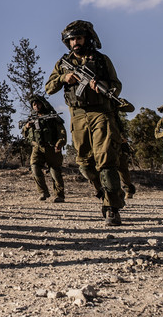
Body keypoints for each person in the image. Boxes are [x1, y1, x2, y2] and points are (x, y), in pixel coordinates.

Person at [46, 20, 125, 226]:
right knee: (84, 164)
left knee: (105, 160)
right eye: (71, 39)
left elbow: (116, 86)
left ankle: (112, 208)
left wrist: (104, 87)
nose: (75, 42)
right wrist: (65, 77)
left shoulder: (101, 60)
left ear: (86, 39)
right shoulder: (62, 63)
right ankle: (104, 190)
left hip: (102, 113)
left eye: (78, 38)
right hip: (78, 116)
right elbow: (48, 88)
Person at [20, 95, 67, 202]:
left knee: (55, 172)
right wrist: (26, 127)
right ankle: (43, 192)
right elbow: (24, 133)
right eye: (34, 105)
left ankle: (59, 195)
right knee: (35, 168)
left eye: (38, 103)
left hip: (51, 147)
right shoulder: (32, 118)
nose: (36, 106)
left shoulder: (52, 117)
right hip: (37, 147)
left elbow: (62, 132)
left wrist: (60, 143)